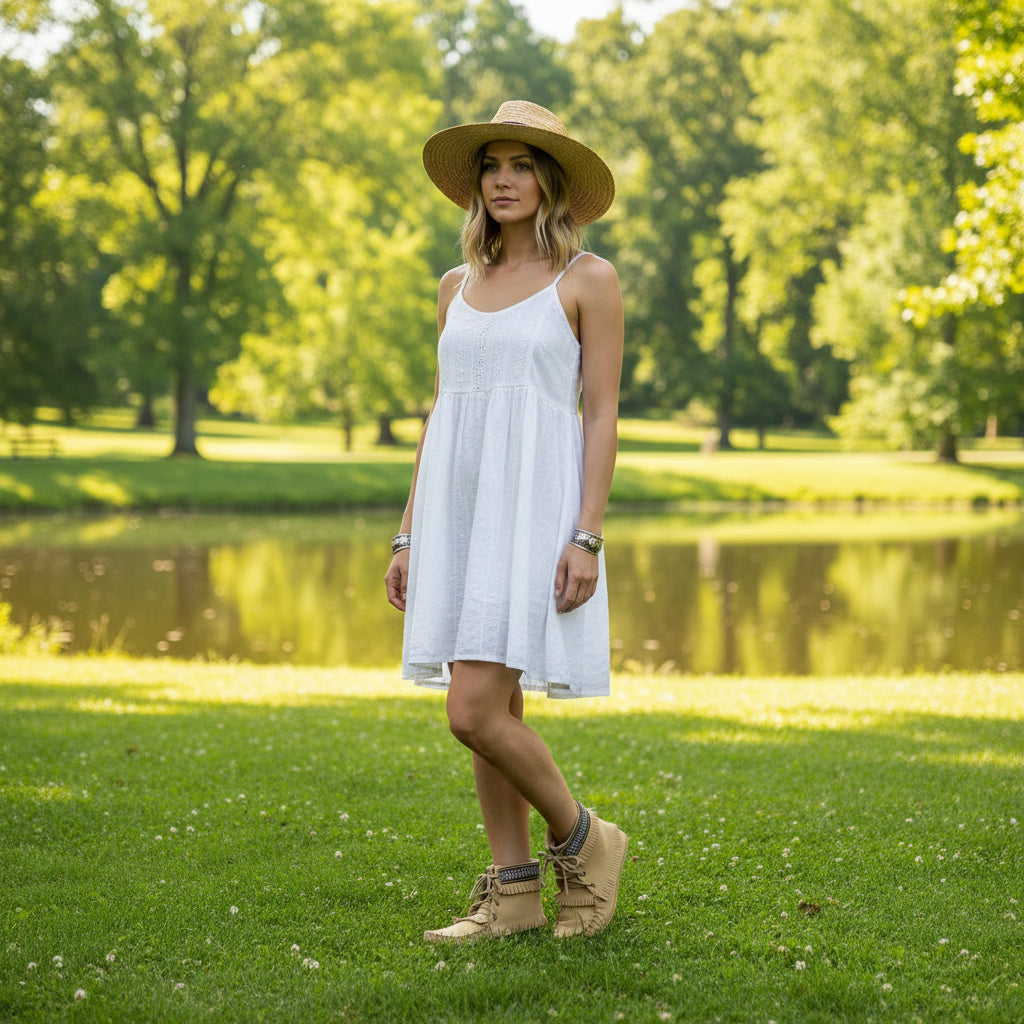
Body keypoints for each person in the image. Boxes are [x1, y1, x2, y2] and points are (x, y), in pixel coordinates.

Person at [384, 100, 626, 943]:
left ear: (550, 181)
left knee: (473, 711)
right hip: (459, 516)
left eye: (522, 165)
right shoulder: (456, 287)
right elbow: (442, 415)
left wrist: (587, 534)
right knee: (497, 709)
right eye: (492, 165)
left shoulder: (587, 280)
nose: (504, 179)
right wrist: (410, 533)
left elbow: (600, 414)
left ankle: (588, 844)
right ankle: (515, 894)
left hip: (536, 514)